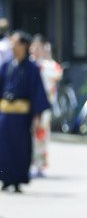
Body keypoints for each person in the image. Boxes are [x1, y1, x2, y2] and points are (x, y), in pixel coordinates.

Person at [0, 30, 50, 191]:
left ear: (23, 45)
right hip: (5, 115)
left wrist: (36, 116)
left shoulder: (32, 68)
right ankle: (5, 178)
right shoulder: (6, 65)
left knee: (21, 148)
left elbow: (37, 93)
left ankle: (18, 180)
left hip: (22, 117)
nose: (12, 46)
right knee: (4, 147)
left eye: (15, 43)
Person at [30, 34, 62, 177]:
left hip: (43, 105)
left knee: (42, 135)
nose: (36, 51)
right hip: (29, 105)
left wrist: (48, 59)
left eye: (39, 48)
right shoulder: (29, 64)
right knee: (28, 135)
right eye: (34, 47)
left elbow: (57, 74)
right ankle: (29, 164)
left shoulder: (48, 65)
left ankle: (40, 166)